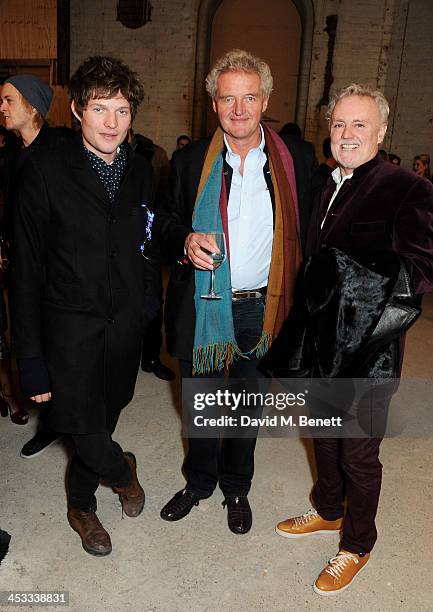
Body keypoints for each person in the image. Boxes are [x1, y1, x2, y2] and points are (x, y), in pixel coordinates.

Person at [268, 83, 433, 595]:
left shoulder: (407, 187)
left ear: (381, 131)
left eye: (359, 124)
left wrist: (351, 284)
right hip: (322, 345)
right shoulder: (324, 183)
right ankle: (327, 510)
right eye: (339, 124)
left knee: (358, 454)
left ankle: (358, 543)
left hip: (369, 353)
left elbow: (420, 271)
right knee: (323, 433)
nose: (347, 134)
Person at [159, 49, 318, 534]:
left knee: (247, 407)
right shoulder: (189, 162)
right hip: (204, 306)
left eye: (249, 97)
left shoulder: (297, 160)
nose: (239, 109)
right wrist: (183, 239)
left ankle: (236, 487)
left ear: (265, 99)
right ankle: (199, 482)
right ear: (214, 105)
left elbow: (314, 229)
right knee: (202, 406)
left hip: (264, 309)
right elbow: (158, 224)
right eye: (228, 98)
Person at [11, 56, 159, 556]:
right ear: (76, 109)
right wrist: (29, 361)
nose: (112, 122)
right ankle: (121, 474)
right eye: (100, 109)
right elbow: (26, 273)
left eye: (122, 109)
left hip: (122, 333)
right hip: (66, 338)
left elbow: (143, 244)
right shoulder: (44, 172)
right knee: (87, 433)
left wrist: (146, 307)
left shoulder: (140, 170)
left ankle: (80, 503)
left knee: (103, 422)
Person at [0, 74, 63, 427]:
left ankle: (63, 419)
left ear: (33, 105)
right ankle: (50, 421)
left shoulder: (61, 150)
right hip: (21, 268)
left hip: (56, 271)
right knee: (28, 335)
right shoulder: (10, 155)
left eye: (8, 100)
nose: (2, 108)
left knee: (57, 344)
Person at [128, 128, 175, 381]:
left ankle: (151, 357)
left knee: (153, 299)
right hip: (113, 241)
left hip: (148, 238)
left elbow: (167, 195)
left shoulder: (155, 155)